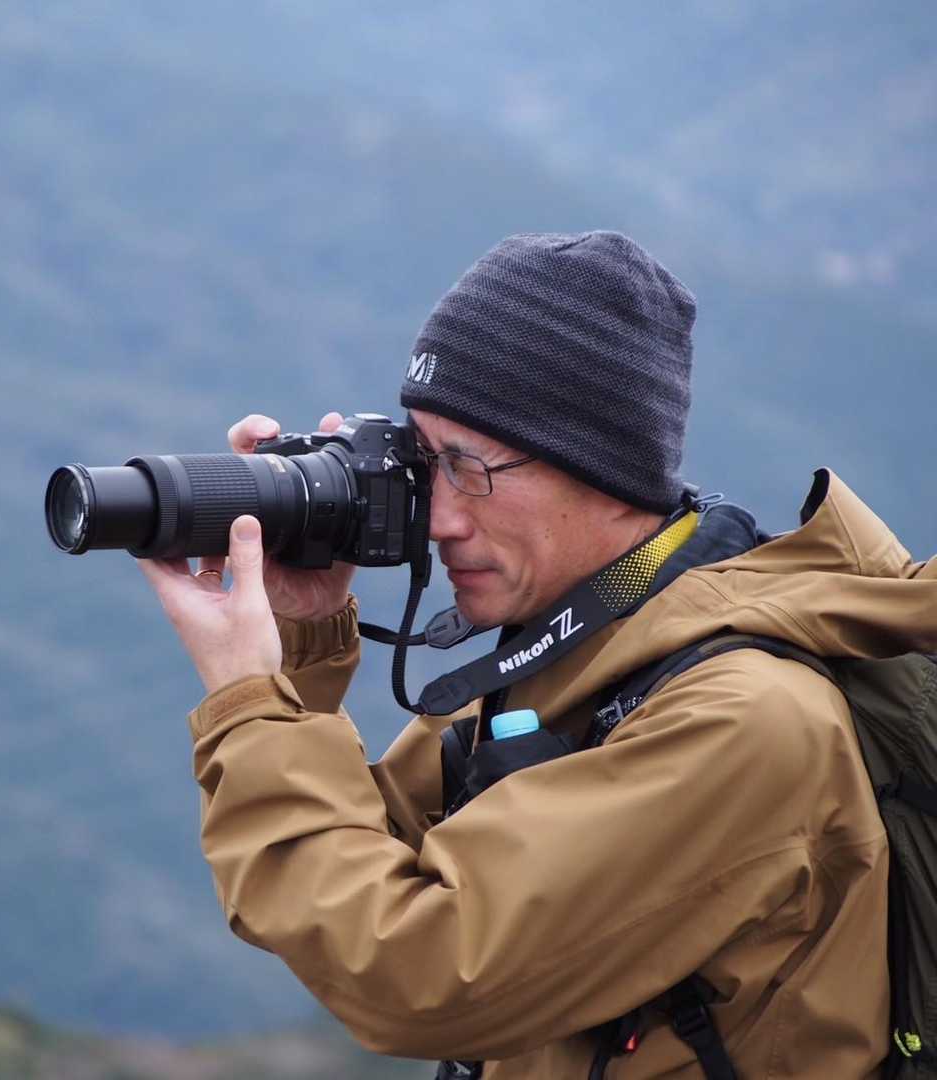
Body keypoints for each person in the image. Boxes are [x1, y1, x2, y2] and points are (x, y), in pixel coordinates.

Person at [138, 232, 937, 1076]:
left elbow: (415, 971)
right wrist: (303, 636)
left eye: (468, 467)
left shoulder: (742, 723)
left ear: (601, 469)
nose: (437, 517)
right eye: (424, 460)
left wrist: (250, 702)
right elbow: (348, 878)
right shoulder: (583, 649)